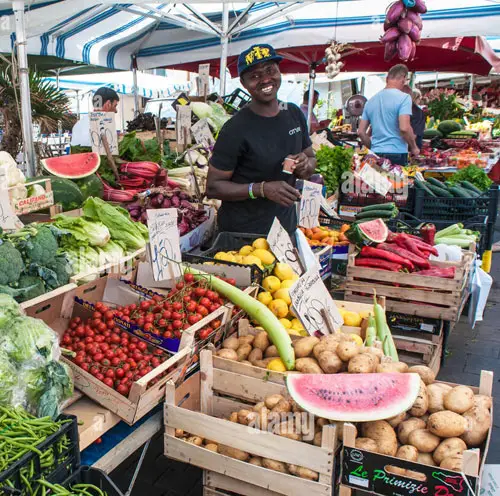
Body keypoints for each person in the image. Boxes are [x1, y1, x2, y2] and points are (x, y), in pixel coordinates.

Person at [206, 44, 316, 234]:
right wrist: (261, 189)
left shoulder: (293, 113)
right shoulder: (235, 129)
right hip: (243, 234)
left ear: (278, 71)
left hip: (285, 227)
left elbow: (311, 158)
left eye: (270, 70)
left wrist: (306, 165)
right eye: (254, 76)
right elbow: (213, 187)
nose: (265, 79)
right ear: (243, 83)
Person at [358, 64, 419, 165]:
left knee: (377, 181)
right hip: (397, 153)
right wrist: (414, 147)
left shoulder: (371, 101)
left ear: (387, 79)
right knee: (396, 181)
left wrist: (372, 147)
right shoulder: (404, 98)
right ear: (403, 79)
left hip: (376, 153)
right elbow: (404, 128)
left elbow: (361, 132)